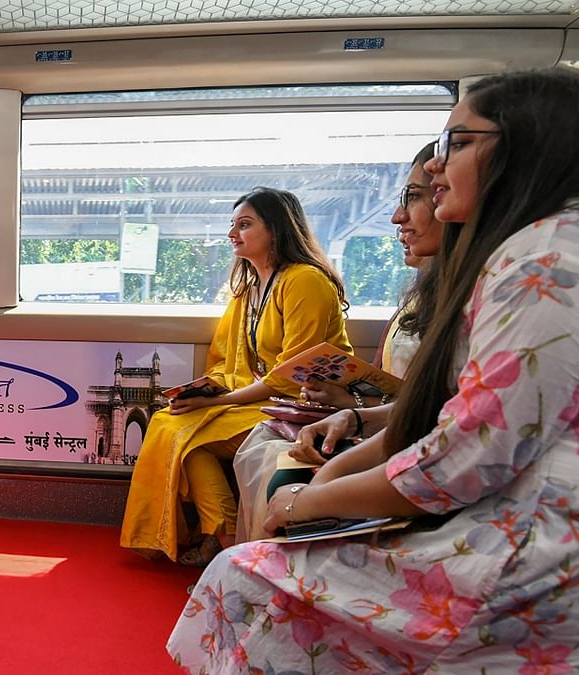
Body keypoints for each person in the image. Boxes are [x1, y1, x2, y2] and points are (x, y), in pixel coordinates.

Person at [168, 68, 579, 672]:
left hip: (532, 548)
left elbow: (465, 453)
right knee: (193, 439)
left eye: (456, 145)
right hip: (508, 509)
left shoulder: (540, 260)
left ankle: (231, 537)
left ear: (527, 148)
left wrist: (309, 502)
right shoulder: (527, 251)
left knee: (245, 581)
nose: (437, 169)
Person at [120, 187, 351, 565]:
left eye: (244, 225)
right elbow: (227, 360)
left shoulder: (304, 281)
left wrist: (217, 401)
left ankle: (227, 547)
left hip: (303, 405)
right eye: (233, 225)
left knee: (185, 435)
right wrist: (206, 389)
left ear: (275, 230)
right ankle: (224, 535)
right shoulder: (250, 288)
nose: (232, 234)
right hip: (257, 397)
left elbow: (294, 375)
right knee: (169, 423)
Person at [232, 142, 444, 541]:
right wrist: (350, 410)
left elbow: (438, 421)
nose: (397, 217)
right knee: (223, 436)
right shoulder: (422, 292)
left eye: (414, 198)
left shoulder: (304, 281)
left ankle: (249, 554)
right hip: (374, 417)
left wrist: (352, 414)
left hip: (396, 435)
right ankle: (233, 547)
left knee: (262, 451)